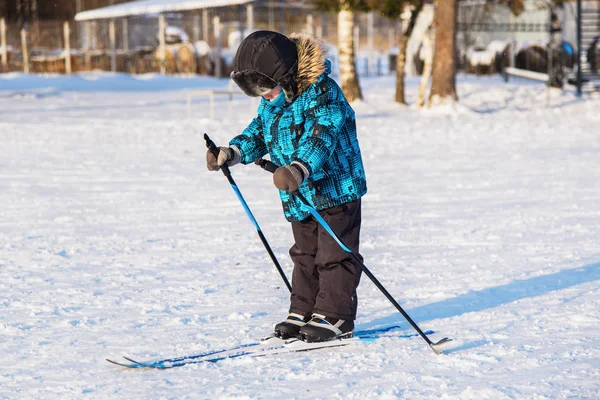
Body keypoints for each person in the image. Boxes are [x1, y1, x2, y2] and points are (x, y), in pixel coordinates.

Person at [206, 30, 367, 343]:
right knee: (304, 254)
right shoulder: (272, 103)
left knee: (334, 254)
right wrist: (232, 152)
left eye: (268, 89)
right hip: (298, 196)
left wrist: (298, 168)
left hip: (335, 190)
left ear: (289, 77)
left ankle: (336, 315)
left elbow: (322, 136)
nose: (265, 97)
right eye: (258, 93)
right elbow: (259, 133)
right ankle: (304, 309)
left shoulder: (323, 93)